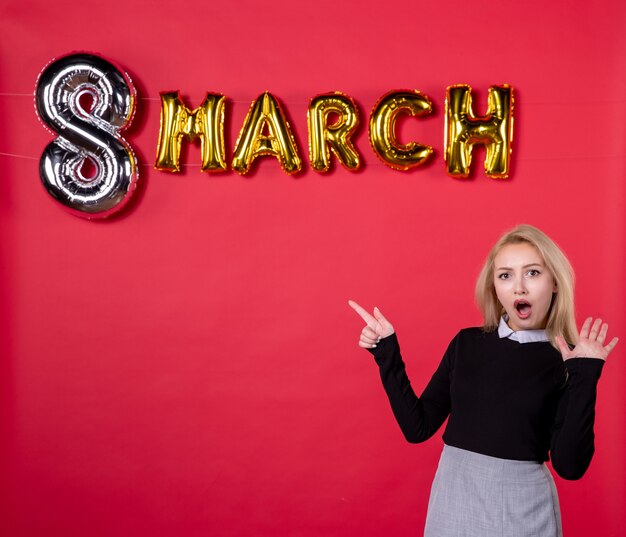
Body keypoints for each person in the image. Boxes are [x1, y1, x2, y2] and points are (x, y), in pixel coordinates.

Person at [348, 224, 618, 537]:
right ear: (494, 286)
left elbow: (570, 467)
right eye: (505, 275)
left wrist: (585, 376)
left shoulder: (567, 360)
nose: (519, 288)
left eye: (532, 273)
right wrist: (386, 353)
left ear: (554, 282)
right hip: (454, 500)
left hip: (524, 509)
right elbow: (417, 428)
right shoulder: (467, 344)